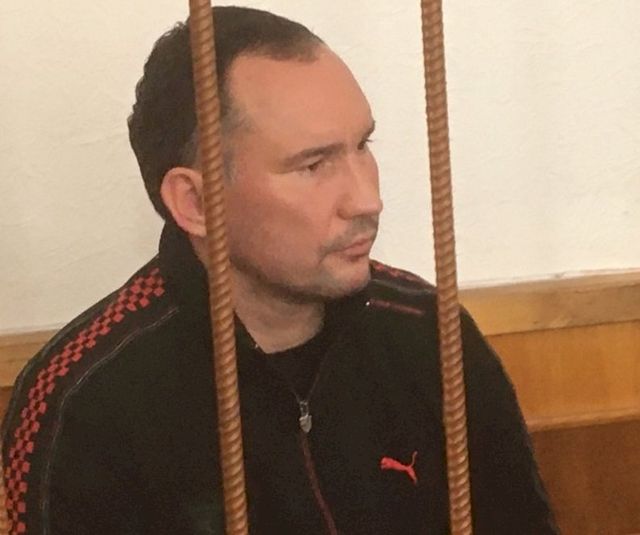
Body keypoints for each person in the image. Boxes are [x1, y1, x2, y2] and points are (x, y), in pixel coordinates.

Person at [1, 6, 558, 534]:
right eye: (313, 165)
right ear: (196, 202)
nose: (367, 200)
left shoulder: (428, 333)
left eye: (363, 145)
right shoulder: (85, 403)